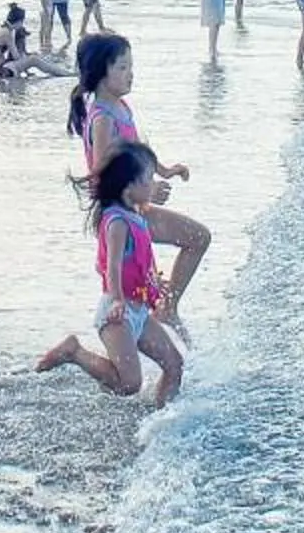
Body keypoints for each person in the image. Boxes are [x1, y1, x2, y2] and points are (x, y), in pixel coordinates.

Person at [68, 33, 211, 329]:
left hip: (135, 206)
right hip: (119, 212)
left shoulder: (122, 106)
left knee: (191, 243)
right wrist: (143, 194)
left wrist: (164, 169)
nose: (130, 74)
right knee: (139, 278)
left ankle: (164, 308)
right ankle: (159, 314)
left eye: (131, 66)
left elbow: (135, 152)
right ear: (100, 72)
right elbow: (102, 173)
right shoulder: (102, 118)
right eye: (122, 68)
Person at [33, 142, 184, 407]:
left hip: (137, 311)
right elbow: (111, 266)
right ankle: (75, 352)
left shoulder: (135, 214)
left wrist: (153, 282)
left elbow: (135, 261)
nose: (152, 184)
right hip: (118, 315)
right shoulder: (116, 221)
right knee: (128, 385)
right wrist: (116, 300)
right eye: (148, 179)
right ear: (128, 187)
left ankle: (162, 420)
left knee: (174, 364)